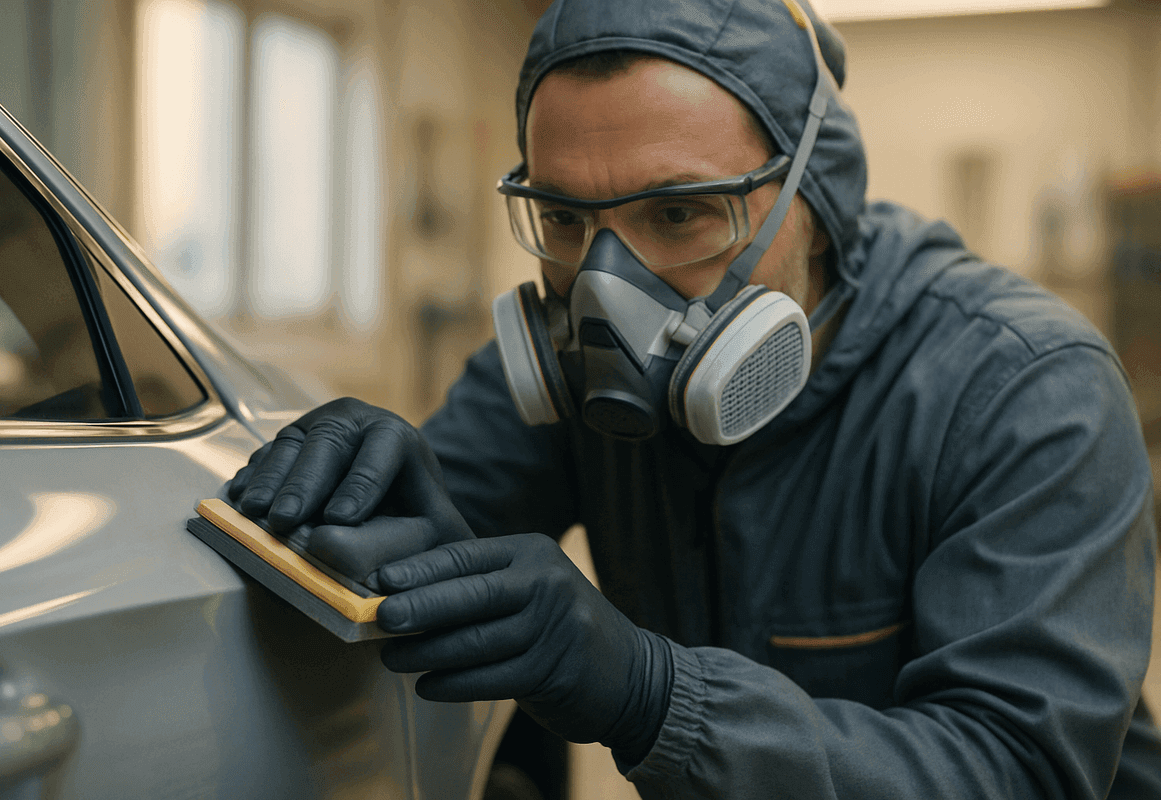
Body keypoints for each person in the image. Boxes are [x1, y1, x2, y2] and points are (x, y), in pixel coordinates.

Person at [227, 0, 1161, 796]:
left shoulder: (1025, 390)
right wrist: (351, 494)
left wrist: (652, 695)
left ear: (815, 193)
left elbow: (1014, 768)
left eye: (677, 214)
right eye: (563, 219)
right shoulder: (570, 377)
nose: (604, 291)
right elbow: (417, 533)